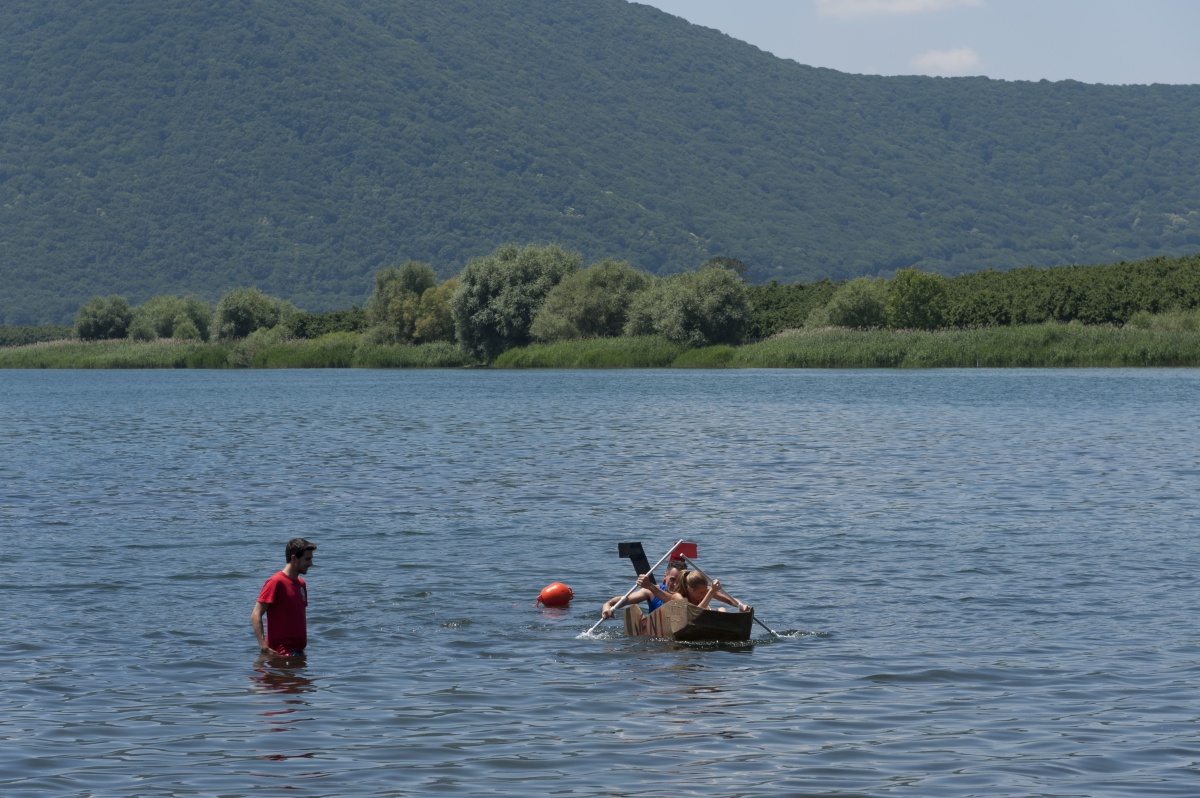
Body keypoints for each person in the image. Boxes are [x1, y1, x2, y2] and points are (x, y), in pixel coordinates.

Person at [252, 537, 316, 657]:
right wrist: (263, 646)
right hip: (281, 655)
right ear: (294, 559)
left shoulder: (301, 583)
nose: (311, 564)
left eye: (311, 559)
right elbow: (256, 614)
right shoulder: (275, 582)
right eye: (307, 559)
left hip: (299, 652)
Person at [600, 558, 685, 619]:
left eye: (679, 580)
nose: (675, 584)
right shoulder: (650, 592)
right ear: (665, 576)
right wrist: (608, 605)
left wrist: (650, 585)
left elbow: (675, 602)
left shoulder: (690, 593)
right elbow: (625, 599)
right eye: (672, 579)